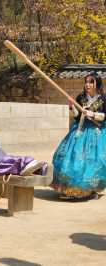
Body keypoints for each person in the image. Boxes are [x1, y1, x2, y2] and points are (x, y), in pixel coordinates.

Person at [51, 71, 106, 200]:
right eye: (86, 82)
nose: (87, 85)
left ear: (97, 83)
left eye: (91, 82)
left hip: (96, 132)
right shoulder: (81, 97)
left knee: (93, 160)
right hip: (79, 131)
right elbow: (76, 117)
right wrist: (72, 107)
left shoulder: (103, 99)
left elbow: (104, 117)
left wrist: (92, 114)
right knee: (70, 156)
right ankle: (69, 189)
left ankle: (92, 190)